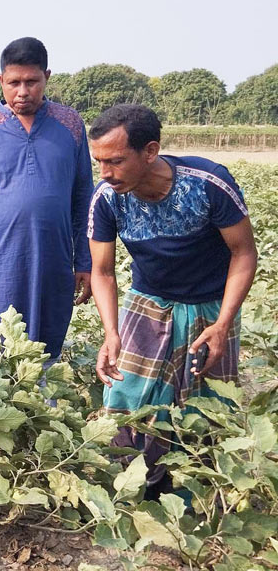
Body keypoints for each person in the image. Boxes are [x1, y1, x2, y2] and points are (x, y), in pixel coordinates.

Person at [87, 104, 257, 491]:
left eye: (115, 161)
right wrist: (111, 332)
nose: (105, 174)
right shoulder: (107, 197)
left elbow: (244, 253)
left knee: (206, 404)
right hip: (147, 302)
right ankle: (133, 486)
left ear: (150, 151)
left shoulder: (208, 184)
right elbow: (102, 271)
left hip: (210, 307)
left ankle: (195, 491)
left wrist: (223, 324)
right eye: (99, 162)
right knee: (125, 393)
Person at [0, 37, 93, 362]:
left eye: (31, 82)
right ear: (1, 81)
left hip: (53, 258)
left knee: (46, 343)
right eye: (13, 83)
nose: (22, 92)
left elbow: (83, 197)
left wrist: (84, 261)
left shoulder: (70, 126)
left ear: (47, 77)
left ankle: (41, 408)